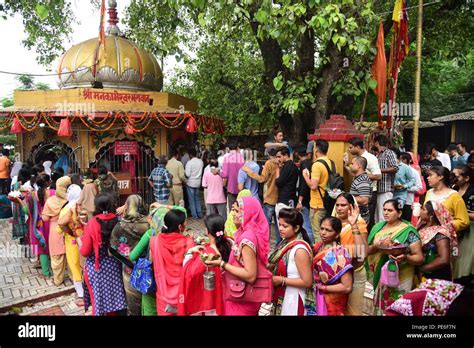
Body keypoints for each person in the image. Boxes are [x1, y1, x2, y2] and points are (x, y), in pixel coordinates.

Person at [205, 196, 271, 316]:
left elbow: (251, 275)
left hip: (243, 298)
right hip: (239, 292)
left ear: (248, 213)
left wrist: (222, 264)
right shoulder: (246, 232)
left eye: (236, 210)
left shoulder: (247, 238)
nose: (232, 213)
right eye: (233, 210)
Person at [129, 203, 187, 316]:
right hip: (172, 286)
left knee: (151, 310)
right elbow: (182, 210)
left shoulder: (150, 235)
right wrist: (164, 205)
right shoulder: (179, 235)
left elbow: (132, 256)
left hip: (152, 281)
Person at [367, 199, 423, 315]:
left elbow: (419, 258)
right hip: (381, 275)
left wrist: (405, 257)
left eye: (390, 210)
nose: (386, 213)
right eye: (384, 210)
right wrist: (378, 245)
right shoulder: (378, 227)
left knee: (398, 308)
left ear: (400, 213)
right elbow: (368, 250)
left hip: (401, 276)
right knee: (382, 309)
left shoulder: (408, 231)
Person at [78, 193, 127, 316]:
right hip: (115, 267)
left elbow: (85, 251)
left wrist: (80, 241)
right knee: (114, 302)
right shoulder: (118, 221)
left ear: (96, 206)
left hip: (97, 269)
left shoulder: (92, 223)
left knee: (98, 303)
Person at [178, 214, 231, 316]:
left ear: (207, 231)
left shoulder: (207, 253)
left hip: (212, 302)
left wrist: (189, 252)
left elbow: (189, 274)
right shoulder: (230, 243)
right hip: (228, 296)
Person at [267, 208, 313, 315]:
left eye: (285, 226)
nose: (281, 229)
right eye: (280, 225)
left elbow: (307, 281)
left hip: (294, 299)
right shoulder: (285, 243)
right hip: (284, 295)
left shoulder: (300, 250)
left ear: (296, 228)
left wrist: (281, 280)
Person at [149, 209, 195, 315]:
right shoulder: (188, 243)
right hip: (183, 294)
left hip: (163, 296)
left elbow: (152, 261)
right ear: (180, 227)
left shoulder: (154, 241)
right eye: (185, 223)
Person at [110, 195, 150, 316]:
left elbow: (113, 248)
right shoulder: (149, 223)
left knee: (133, 301)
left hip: (129, 270)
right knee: (149, 298)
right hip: (149, 267)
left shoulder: (120, 226)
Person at [332, 193, 369, 315]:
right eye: (337, 205)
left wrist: (353, 225)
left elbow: (362, 253)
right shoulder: (332, 223)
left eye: (343, 205)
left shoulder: (359, 223)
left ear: (351, 207)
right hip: (336, 275)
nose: (339, 208)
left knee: (353, 312)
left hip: (355, 274)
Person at [313, 217, 353, 316]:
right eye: (322, 228)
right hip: (315, 296)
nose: (323, 232)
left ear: (337, 234)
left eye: (328, 230)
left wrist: (324, 288)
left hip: (333, 300)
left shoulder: (341, 254)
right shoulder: (317, 247)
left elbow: (347, 287)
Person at [241, 148, 279, 245]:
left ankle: (265, 242)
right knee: (279, 224)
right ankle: (279, 243)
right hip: (278, 197)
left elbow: (262, 179)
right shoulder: (281, 163)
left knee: (266, 223)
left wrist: (249, 171)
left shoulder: (269, 163)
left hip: (269, 196)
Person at [346, 137, 382, 229]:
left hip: (368, 194)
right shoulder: (357, 159)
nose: (349, 150)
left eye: (350, 147)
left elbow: (378, 175)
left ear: (357, 147)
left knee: (367, 223)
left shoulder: (370, 158)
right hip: (359, 193)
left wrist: (363, 176)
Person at [57, 183, 84, 304]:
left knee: (75, 266)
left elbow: (59, 226)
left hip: (72, 241)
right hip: (85, 240)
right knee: (85, 265)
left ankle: (81, 294)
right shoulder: (83, 206)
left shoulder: (67, 209)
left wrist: (70, 232)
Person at [42, 176, 71, 286]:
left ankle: (58, 280)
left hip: (55, 229)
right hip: (69, 228)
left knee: (57, 257)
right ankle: (75, 279)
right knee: (71, 255)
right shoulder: (71, 200)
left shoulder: (50, 201)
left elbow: (45, 218)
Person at [302, 139, 332, 243]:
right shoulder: (329, 162)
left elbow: (313, 185)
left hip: (317, 205)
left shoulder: (317, 165)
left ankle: (320, 255)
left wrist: (305, 176)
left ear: (316, 149)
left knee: (318, 233)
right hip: (326, 201)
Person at [425, 166, 469, 233]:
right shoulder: (429, 192)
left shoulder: (454, 196)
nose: (427, 178)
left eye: (430, 175)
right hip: (427, 231)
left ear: (440, 177)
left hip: (444, 235)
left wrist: (445, 227)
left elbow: (463, 221)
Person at [24, 174, 52, 278]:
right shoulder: (52, 193)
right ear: (48, 182)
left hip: (37, 225)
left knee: (42, 248)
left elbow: (26, 211)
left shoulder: (31, 195)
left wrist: (20, 202)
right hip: (50, 222)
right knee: (52, 246)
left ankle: (46, 273)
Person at [417, 201, 453, 281]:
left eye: (423, 209)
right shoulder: (422, 226)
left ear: (431, 215)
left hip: (436, 276)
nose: (420, 210)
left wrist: (422, 269)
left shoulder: (441, 233)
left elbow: (443, 259)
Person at [452, 165, 474, 286]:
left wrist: (461, 212)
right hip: (454, 228)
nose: (453, 178)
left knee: (464, 259)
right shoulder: (452, 189)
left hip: (469, 230)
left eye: (456, 176)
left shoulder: (472, 192)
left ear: (466, 178)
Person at [374, 135, 398, 224]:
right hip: (379, 189)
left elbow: (395, 168)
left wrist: (379, 171)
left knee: (383, 216)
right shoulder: (378, 154)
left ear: (377, 143)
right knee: (377, 217)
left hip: (386, 189)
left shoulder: (389, 153)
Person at [295, 146, 314, 244]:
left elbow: (304, 184)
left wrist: (300, 201)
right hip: (312, 198)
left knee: (307, 225)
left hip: (306, 200)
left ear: (297, 154)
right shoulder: (312, 163)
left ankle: (309, 245)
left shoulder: (304, 165)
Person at [221, 141, 245, 211]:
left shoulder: (226, 158)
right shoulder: (242, 157)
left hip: (231, 187)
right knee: (241, 207)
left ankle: (232, 221)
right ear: (237, 148)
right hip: (241, 186)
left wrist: (219, 172)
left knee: (232, 209)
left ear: (228, 148)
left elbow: (225, 174)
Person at [399, 153, 423, 222]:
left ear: (406, 160)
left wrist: (405, 187)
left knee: (405, 222)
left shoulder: (414, 172)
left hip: (407, 201)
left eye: (401, 159)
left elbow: (419, 187)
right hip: (396, 200)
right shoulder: (396, 170)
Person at [348, 156, 372, 224]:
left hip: (361, 216)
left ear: (359, 166)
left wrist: (347, 197)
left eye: (352, 164)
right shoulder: (358, 178)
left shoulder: (363, 180)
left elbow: (364, 200)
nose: (351, 166)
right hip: (357, 215)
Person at [392, 149, 415, 213]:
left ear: (399, 157)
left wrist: (404, 186)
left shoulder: (405, 167)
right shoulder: (388, 166)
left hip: (400, 195)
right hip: (389, 193)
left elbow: (412, 180)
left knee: (398, 212)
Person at [185, 148, 204, 219]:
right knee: (197, 198)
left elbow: (187, 174)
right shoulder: (200, 162)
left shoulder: (189, 163)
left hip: (190, 182)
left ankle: (194, 215)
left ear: (190, 155)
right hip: (198, 182)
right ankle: (199, 213)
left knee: (191, 199)